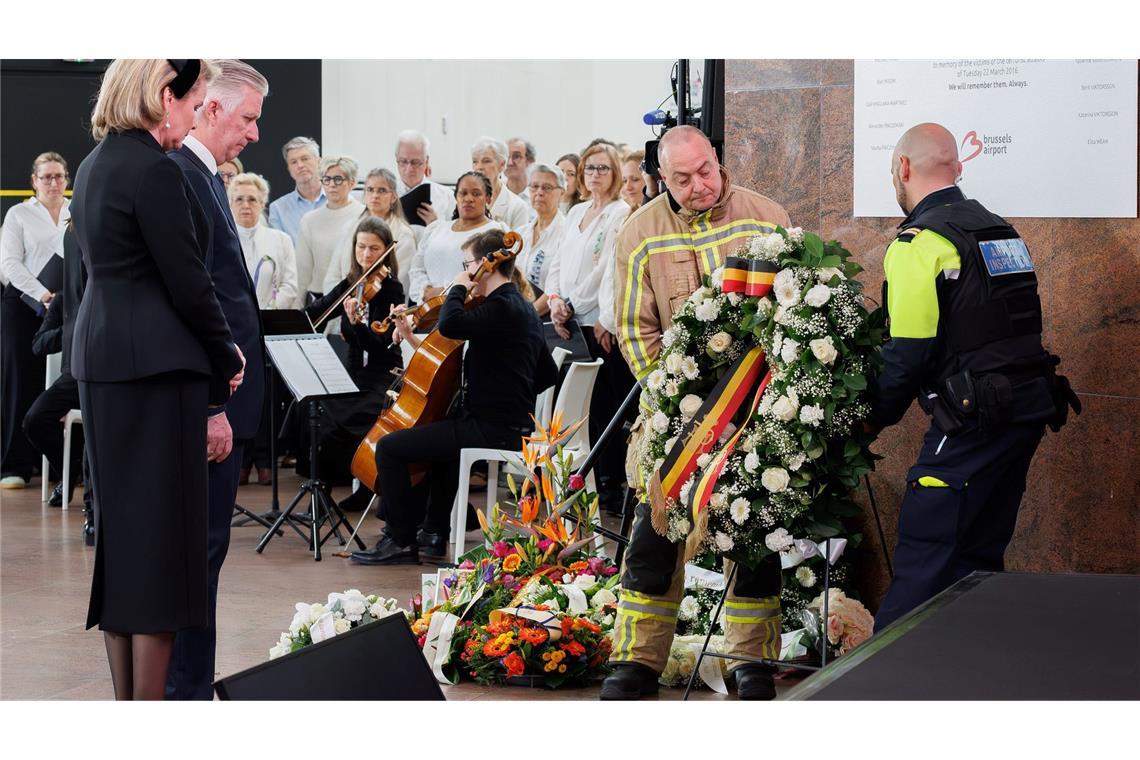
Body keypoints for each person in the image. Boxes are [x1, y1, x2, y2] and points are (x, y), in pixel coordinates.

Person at [70, 59, 245, 701]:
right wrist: (226, 354)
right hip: (156, 372)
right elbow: (188, 280)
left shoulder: (93, 166)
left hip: (103, 363)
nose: (197, 115)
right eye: (196, 101)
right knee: (166, 554)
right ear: (163, 95)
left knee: (123, 548)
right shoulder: (155, 170)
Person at [603, 125, 791, 701]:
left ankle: (748, 661)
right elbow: (636, 330)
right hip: (675, 420)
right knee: (652, 541)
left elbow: (792, 311)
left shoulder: (767, 217)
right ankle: (637, 659)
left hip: (755, 414)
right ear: (662, 178)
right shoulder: (638, 233)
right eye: (682, 178)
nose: (698, 185)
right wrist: (683, 403)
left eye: (705, 170)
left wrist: (757, 402)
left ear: (717, 160)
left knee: (754, 537)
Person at [867, 122, 1078, 631]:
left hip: (971, 422)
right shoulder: (1001, 230)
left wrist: (866, 421)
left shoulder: (919, 243)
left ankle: (877, 693)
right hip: (1026, 413)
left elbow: (907, 356)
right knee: (978, 566)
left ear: (902, 168)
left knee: (925, 556)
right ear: (958, 168)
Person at [349, 228, 557, 564]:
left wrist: (460, 285)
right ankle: (433, 534)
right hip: (507, 424)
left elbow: (450, 325)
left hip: (492, 428)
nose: (465, 270)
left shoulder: (501, 306)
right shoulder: (521, 306)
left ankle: (400, 539)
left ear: (486, 266)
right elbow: (549, 374)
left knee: (390, 447)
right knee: (443, 446)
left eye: (467, 263)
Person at [165, 58, 267, 701]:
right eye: (248, 119)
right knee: (196, 558)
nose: (255, 134)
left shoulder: (206, 178)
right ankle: (185, 692)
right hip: (211, 402)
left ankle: (191, 685)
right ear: (209, 109)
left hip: (224, 397)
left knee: (207, 555)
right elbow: (194, 298)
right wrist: (211, 403)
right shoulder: (182, 177)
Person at [303, 217, 406, 511]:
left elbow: (379, 345)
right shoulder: (352, 283)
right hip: (353, 375)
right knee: (313, 414)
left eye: (375, 248)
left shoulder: (391, 290)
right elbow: (315, 311)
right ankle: (320, 497)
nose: (367, 255)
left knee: (341, 423)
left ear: (386, 250)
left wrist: (357, 324)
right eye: (361, 247)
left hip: (381, 378)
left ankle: (366, 485)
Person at [1, 152, 70, 489]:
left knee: (59, 385)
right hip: (24, 306)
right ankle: (14, 464)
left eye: (58, 176)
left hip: (65, 309)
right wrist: (44, 294)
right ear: (34, 181)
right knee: (20, 380)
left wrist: (60, 299)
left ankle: (60, 467)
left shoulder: (75, 214)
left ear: (67, 179)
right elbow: (9, 265)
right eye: (46, 177)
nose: (53, 183)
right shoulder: (19, 214)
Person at [228, 172, 298, 486]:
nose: (246, 205)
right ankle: (240, 460)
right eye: (239, 199)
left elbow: (290, 285)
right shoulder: (223, 238)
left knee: (267, 398)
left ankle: (265, 459)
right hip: (231, 332)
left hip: (267, 329)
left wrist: (261, 315)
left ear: (263, 203)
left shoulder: (279, 240)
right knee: (235, 394)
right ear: (230, 203)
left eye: (252, 199)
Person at [24, 225, 86, 514]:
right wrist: (71, 331)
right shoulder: (63, 297)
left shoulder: (103, 292)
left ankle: (80, 477)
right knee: (34, 420)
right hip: (71, 377)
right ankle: (70, 470)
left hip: (101, 377)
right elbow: (39, 344)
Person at [408, 172, 505, 304]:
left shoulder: (495, 231)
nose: (468, 199)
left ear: (488, 198)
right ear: (456, 197)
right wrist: (425, 290)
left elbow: (492, 277)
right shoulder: (436, 228)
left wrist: (447, 292)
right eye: (463, 193)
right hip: (426, 310)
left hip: (468, 309)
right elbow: (417, 268)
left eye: (476, 194)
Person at [324, 167, 417, 297]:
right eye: (370, 190)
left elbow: (399, 283)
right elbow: (332, 275)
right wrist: (342, 304)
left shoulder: (403, 235)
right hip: (343, 307)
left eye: (382, 190)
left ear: (394, 197)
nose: (375, 195)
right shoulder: (349, 227)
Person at [294, 156, 364, 306]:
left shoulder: (363, 215)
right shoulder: (310, 220)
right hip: (318, 298)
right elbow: (303, 269)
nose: (332, 184)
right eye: (327, 179)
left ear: (352, 182)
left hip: (352, 297)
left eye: (338, 179)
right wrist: (298, 306)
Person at [515, 163, 568, 317]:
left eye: (547, 188)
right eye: (534, 186)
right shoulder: (520, 234)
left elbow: (559, 285)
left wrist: (527, 317)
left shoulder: (566, 233)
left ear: (562, 193)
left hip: (547, 317)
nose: (539, 192)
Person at [267, 136, 325, 244]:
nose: (300, 165)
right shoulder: (278, 209)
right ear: (289, 169)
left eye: (305, 159)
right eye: (293, 162)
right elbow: (280, 250)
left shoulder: (337, 200)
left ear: (319, 161)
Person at [393, 129, 455, 230]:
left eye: (415, 162)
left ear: (426, 161)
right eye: (403, 161)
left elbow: (454, 237)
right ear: (396, 158)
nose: (409, 169)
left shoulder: (446, 196)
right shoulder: (386, 194)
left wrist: (435, 224)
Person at [471, 137, 530, 230]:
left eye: (486, 161)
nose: (479, 167)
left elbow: (519, 243)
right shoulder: (464, 201)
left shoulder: (518, 207)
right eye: (475, 161)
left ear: (502, 165)